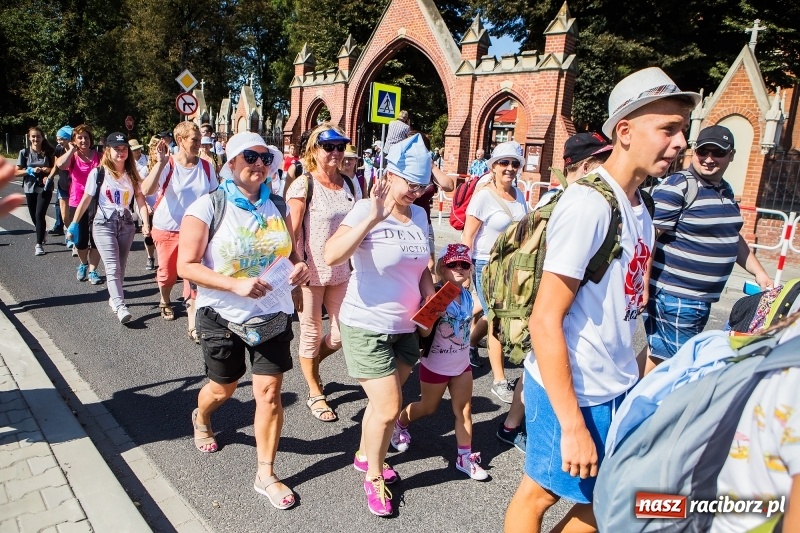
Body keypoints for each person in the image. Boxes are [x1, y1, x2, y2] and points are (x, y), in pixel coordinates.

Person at [504, 66, 698, 533]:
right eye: (668, 129)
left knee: (607, 495)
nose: (680, 144)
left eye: (682, 131)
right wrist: (571, 424)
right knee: (538, 495)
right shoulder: (588, 204)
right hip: (570, 388)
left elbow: (626, 297)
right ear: (626, 131)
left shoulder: (640, 205)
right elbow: (544, 320)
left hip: (611, 383)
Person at [178, 131, 309, 510]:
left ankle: (265, 473)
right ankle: (201, 417)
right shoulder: (208, 206)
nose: (259, 165)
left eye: (265, 158)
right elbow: (184, 265)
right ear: (231, 163)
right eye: (249, 157)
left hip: (271, 313)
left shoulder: (278, 205)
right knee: (224, 388)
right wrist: (234, 285)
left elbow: (292, 252)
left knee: (268, 394)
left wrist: (298, 269)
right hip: (222, 314)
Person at [323, 133, 435, 517]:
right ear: (389, 175)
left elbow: (422, 269)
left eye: (422, 185)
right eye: (409, 183)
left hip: (406, 328)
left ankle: (363, 453)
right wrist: (372, 216)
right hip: (366, 324)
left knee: (380, 405)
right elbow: (331, 254)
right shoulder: (364, 209)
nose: (416, 192)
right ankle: (374, 476)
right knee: (389, 406)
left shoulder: (420, 214)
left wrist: (432, 307)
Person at [497, 131, 614, 453]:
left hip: (555, 303)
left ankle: (510, 425)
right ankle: (534, 433)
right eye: (604, 163)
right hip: (555, 304)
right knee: (545, 367)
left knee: (535, 364)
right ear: (587, 165)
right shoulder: (569, 202)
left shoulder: (568, 198)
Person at [643, 124, 773, 374]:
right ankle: (643, 409)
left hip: (699, 299)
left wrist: (759, 273)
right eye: (704, 151)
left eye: (718, 153)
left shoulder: (725, 188)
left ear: (731, 155)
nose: (709, 159)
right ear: (694, 152)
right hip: (676, 295)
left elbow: (732, 237)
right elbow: (648, 237)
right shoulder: (678, 185)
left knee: (659, 354)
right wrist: (642, 286)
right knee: (676, 365)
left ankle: (628, 403)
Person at [392, 244, 488, 481]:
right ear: (442, 267)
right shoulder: (434, 295)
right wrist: (431, 313)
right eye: (453, 264)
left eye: (464, 264)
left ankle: (464, 457)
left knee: (464, 409)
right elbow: (424, 334)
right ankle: (399, 423)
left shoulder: (466, 295)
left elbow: (477, 310)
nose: (459, 268)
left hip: (461, 364)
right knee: (428, 407)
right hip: (435, 364)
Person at [287, 124, 361, 422]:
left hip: (343, 271)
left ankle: (311, 361)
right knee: (311, 331)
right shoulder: (303, 185)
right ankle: (315, 391)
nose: (336, 152)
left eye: (340, 146)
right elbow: (290, 235)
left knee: (344, 334)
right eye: (328, 146)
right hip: (311, 273)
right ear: (313, 151)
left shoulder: (350, 184)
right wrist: (295, 268)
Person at [461, 141, 528, 403]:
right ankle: (499, 381)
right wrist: (464, 272)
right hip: (485, 264)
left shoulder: (520, 194)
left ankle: (470, 344)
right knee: (497, 316)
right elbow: (468, 235)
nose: (510, 168)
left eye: (514, 163)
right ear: (493, 167)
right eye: (504, 163)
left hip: (512, 264)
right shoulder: (484, 197)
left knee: (494, 313)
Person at [67, 133, 150, 324]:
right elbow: (85, 200)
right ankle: (121, 306)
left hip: (126, 224)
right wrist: (73, 224)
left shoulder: (132, 173)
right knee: (112, 267)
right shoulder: (98, 173)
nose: (121, 153)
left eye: (124, 149)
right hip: (103, 224)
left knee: (120, 267)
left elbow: (140, 200)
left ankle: (114, 298)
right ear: (108, 151)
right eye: (117, 149)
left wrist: (146, 223)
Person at [142, 122, 217, 331]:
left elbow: (215, 197)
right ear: (180, 140)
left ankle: (192, 324)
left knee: (192, 275)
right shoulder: (169, 164)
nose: (199, 144)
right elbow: (146, 190)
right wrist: (160, 163)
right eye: (194, 140)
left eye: (200, 140)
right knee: (167, 274)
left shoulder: (206, 166)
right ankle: (165, 299)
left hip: (197, 230)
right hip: (168, 228)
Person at [56, 124, 102, 282]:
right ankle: (83, 263)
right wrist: (71, 150)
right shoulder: (73, 156)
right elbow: (60, 165)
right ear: (74, 140)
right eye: (80, 138)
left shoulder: (99, 155)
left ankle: (93, 271)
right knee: (81, 240)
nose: (84, 140)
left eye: (86, 137)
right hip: (77, 201)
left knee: (96, 238)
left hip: (97, 202)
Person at [15, 127, 55, 256]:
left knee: (39, 214)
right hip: (30, 187)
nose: (35, 139)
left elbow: (56, 168)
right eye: (33, 136)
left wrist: (47, 171)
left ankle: (39, 244)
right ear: (29, 137)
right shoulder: (24, 152)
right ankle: (42, 232)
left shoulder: (49, 152)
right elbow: (16, 172)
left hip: (45, 187)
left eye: (38, 136)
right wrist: (30, 171)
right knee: (33, 215)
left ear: (43, 137)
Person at [47, 126, 74, 236]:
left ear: (69, 138)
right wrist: (50, 178)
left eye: (61, 139)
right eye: (57, 139)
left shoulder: (78, 151)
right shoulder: (59, 149)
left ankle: (75, 238)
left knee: (75, 215)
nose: (59, 141)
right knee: (64, 216)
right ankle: (71, 234)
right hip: (63, 185)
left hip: (75, 187)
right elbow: (56, 166)